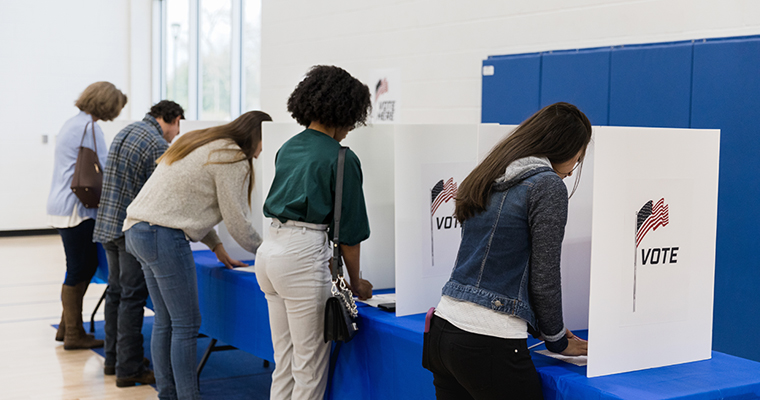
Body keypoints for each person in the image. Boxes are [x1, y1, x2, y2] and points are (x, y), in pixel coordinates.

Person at [422, 102, 592, 400]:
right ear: (564, 146)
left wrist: (543, 330)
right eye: (579, 156)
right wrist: (556, 339)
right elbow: (544, 277)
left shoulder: (489, 174)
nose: (575, 166)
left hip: (443, 331)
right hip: (488, 342)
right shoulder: (547, 185)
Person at [123, 110, 271, 400]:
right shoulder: (232, 157)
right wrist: (270, 251)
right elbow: (237, 221)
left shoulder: (202, 141)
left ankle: (168, 394)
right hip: (163, 236)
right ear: (258, 135)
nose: (263, 150)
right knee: (187, 324)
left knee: (165, 320)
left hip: (137, 230)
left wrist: (216, 246)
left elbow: (186, 202)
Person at [256, 65, 374, 400]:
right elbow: (350, 234)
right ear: (345, 111)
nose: (351, 129)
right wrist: (356, 282)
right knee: (309, 369)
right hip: (302, 256)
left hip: (269, 252)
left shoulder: (289, 147)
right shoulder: (341, 158)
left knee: (285, 361)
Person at [92, 100, 185, 387]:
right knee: (132, 298)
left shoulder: (126, 130)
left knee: (116, 294)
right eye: (178, 124)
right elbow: (159, 197)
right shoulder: (157, 145)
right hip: (130, 229)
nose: (178, 132)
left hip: (107, 223)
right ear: (167, 119)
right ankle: (129, 369)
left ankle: (113, 359)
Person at [48, 81, 127, 350]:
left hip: (62, 205)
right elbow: (106, 167)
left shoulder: (72, 123)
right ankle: (73, 333)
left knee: (82, 266)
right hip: (77, 210)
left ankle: (66, 327)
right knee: (79, 268)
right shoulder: (90, 127)